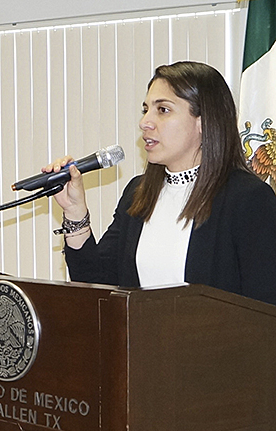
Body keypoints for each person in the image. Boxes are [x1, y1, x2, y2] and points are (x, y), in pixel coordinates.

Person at [45, 61, 276, 306]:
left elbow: (265, 312)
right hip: (141, 344)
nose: (145, 122)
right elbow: (98, 287)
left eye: (162, 110)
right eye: (146, 110)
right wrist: (74, 212)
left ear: (204, 121)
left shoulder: (248, 198)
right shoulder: (138, 192)